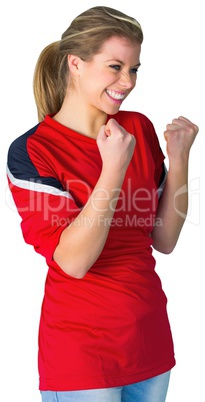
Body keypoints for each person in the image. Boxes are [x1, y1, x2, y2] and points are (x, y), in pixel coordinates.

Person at [6, 6, 198, 402]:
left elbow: (163, 239)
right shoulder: (33, 150)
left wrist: (179, 160)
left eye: (134, 69)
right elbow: (73, 262)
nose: (127, 82)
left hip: (149, 341)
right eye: (115, 66)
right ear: (75, 63)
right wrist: (113, 170)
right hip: (83, 352)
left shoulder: (138, 128)